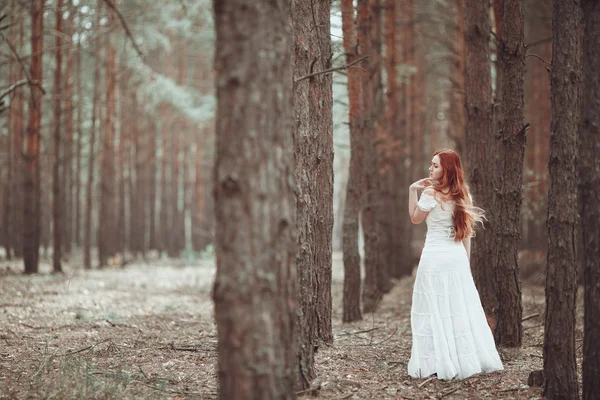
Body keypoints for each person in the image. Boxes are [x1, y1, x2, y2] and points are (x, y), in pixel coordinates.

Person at [406, 148, 503, 380]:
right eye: (431, 164)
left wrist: (412, 190)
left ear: (447, 169)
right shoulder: (463, 194)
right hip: (456, 256)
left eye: (436, 165)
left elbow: (414, 218)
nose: (431, 169)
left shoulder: (429, 193)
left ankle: (437, 361)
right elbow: (466, 234)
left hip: (435, 257)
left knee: (433, 307)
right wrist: (465, 263)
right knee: (458, 307)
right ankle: (462, 359)